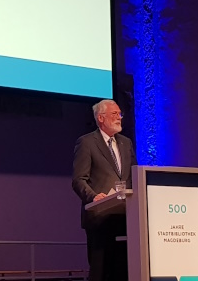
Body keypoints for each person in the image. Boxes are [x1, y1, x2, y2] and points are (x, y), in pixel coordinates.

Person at [72, 99, 137, 281]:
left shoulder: (126, 143)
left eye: (120, 114)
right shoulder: (86, 142)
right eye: (114, 114)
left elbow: (134, 175)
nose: (119, 117)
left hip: (125, 217)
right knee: (101, 273)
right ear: (101, 118)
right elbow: (78, 180)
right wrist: (94, 197)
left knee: (123, 272)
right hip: (100, 218)